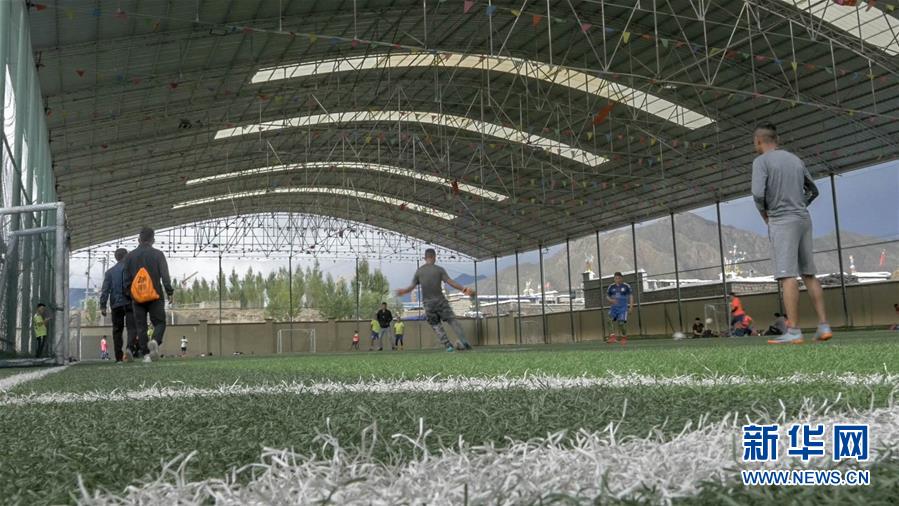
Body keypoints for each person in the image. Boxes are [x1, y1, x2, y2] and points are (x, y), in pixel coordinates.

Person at [751, 124, 832, 344]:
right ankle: (824, 326)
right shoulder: (796, 160)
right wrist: (800, 204)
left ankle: (794, 330)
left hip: (781, 220)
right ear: (776, 139)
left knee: (787, 275)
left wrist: (765, 214)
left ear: (759, 141)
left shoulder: (761, 162)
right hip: (803, 218)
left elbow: (757, 193)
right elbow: (813, 190)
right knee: (809, 274)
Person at [396, 248, 474, 352]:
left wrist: (403, 291)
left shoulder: (419, 271)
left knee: (436, 325)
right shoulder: (439, 270)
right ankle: (464, 340)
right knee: (452, 320)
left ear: (425, 258)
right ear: (434, 257)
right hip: (440, 300)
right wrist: (464, 289)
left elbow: (411, 287)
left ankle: (448, 346)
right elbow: (450, 282)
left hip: (428, 304)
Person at [123, 227, 175, 362]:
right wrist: (169, 291)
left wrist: (131, 294)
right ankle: (155, 342)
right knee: (160, 322)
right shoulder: (158, 254)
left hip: (137, 298)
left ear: (138, 240)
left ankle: (146, 354)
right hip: (155, 295)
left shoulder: (129, 256)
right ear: (153, 240)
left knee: (141, 326)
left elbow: (126, 279)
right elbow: (165, 275)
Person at [100, 247, 137, 362]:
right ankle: (129, 349)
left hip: (116, 304)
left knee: (117, 330)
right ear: (126, 256)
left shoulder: (109, 272)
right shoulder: (132, 269)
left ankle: (119, 357)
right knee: (132, 327)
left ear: (116, 258)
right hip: (130, 302)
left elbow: (105, 290)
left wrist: (103, 305)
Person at [605, 272, 633, 345]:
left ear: (621, 278)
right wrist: (611, 300)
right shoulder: (611, 287)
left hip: (623, 308)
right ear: (614, 279)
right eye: (616, 278)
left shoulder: (626, 286)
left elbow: (631, 296)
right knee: (609, 320)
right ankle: (612, 337)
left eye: (619, 278)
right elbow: (607, 296)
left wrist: (631, 307)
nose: (617, 279)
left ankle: (624, 337)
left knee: (621, 323)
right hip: (614, 308)